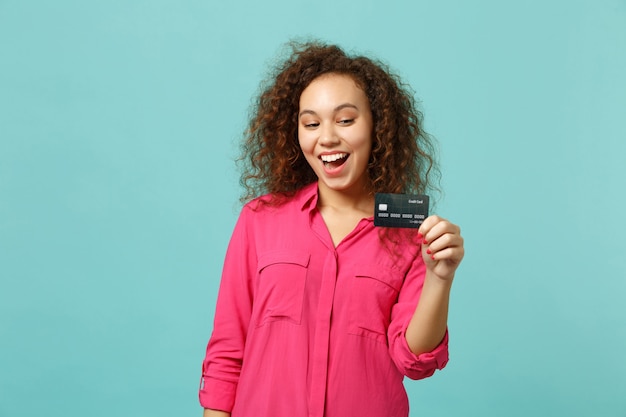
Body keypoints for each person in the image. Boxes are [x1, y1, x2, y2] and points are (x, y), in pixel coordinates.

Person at [199, 41, 465, 417]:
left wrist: (440, 278)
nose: (327, 137)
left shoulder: (412, 237)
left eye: (345, 120)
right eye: (311, 123)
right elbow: (228, 353)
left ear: (378, 127)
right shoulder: (260, 220)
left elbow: (414, 361)